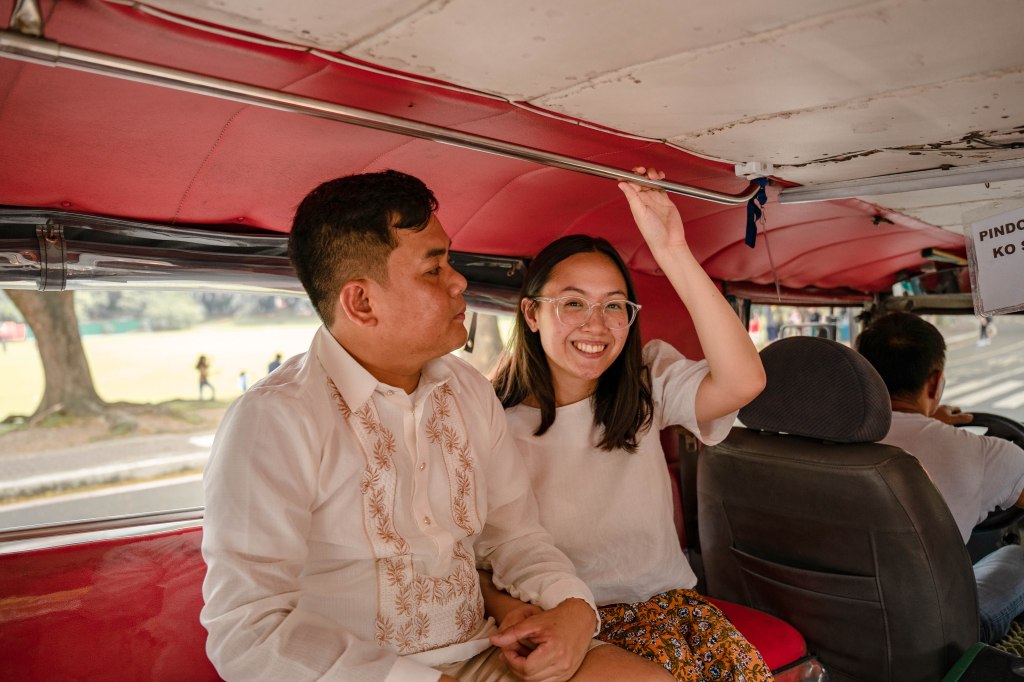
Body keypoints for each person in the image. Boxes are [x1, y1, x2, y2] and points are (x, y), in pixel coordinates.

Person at [200, 170, 672, 682]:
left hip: (485, 652)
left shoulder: (468, 391)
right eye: (433, 269)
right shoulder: (276, 419)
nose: (458, 281)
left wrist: (574, 609)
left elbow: (514, 537)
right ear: (361, 303)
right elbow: (247, 633)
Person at [488, 167, 773, 680]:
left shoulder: (646, 380)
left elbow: (743, 381)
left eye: (614, 306)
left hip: (676, 613)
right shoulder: (489, 422)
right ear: (531, 314)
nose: (596, 326)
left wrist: (672, 250)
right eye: (573, 303)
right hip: (575, 627)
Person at [856, 311, 1024, 643]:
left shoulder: (819, 441)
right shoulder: (984, 453)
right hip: (931, 638)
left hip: (833, 622)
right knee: (1016, 556)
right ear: (935, 382)